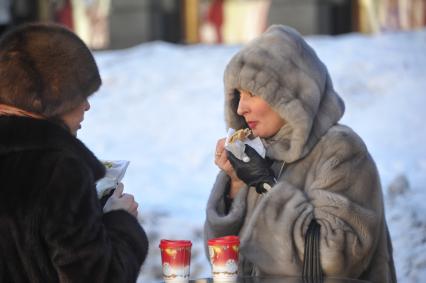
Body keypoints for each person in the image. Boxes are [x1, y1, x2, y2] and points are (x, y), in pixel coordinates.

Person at [204, 25, 396, 283]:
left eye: (252, 93)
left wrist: (267, 188)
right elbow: (225, 264)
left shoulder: (341, 150)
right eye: (237, 95)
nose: (240, 108)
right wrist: (236, 184)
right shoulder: (261, 152)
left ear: (289, 95)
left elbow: (337, 260)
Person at [0, 23, 148, 282]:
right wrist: (120, 223)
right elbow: (97, 276)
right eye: (79, 94)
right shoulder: (57, 170)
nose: (87, 106)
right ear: (52, 99)